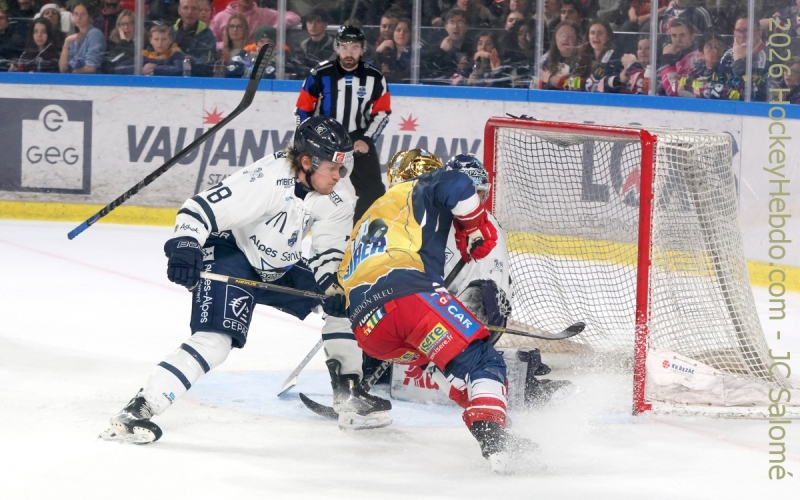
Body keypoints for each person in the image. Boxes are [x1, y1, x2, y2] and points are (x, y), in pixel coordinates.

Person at [101, 115, 390, 443]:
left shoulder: (339, 193)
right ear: (307, 162)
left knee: (344, 301)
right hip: (231, 254)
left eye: (343, 167)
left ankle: (348, 392)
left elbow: (328, 251)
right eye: (333, 168)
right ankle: (139, 409)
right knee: (216, 341)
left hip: (279, 263)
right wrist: (185, 245)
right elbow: (197, 210)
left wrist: (331, 283)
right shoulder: (263, 180)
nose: (340, 176)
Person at [337, 149, 533, 473]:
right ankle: (495, 438)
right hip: (409, 299)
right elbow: (456, 183)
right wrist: (475, 226)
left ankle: (492, 420)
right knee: (482, 360)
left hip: (370, 331)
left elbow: (341, 284)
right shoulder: (424, 188)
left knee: (441, 363)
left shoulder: (369, 217)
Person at [295, 24, 391, 224]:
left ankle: (359, 232)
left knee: (374, 192)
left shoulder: (375, 77)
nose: (349, 53)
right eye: (345, 47)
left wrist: (366, 139)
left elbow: (382, 113)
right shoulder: (319, 74)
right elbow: (303, 109)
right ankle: (294, 223)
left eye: (355, 47)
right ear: (337, 48)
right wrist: (306, 139)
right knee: (305, 183)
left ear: (362, 50)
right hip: (323, 139)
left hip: (357, 137)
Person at [715, 13, 767, 102]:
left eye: (747, 31)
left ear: (759, 32)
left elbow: (756, 95)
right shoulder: (727, 56)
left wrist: (739, 63)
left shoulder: (769, 56)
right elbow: (716, 86)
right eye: (739, 31)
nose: (742, 36)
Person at [209, 0, 300, 50]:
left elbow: (293, 16)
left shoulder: (263, 14)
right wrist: (228, 45)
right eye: (232, 26)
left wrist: (272, 29)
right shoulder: (220, 17)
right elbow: (210, 43)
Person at [422, 9, 472, 83]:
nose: (456, 27)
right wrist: (441, 51)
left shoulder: (474, 46)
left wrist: (468, 67)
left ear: (467, 26)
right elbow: (427, 72)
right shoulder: (436, 48)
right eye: (452, 22)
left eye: (460, 23)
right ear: (446, 27)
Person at [171, 0, 216, 78]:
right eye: (185, 8)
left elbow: (207, 66)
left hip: (197, 80)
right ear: (179, 10)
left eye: (194, 8)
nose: (189, 12)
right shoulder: (170, 32)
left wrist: (182, 55)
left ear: (199, 12)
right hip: (171, 78)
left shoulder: (207, 34)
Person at [58, 1, 106, 74]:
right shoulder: (73, 38)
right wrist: (66, 42)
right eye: (76, 14)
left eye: (83, 14)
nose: (78, 18)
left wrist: (71, 73)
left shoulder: (95, 34)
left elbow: (91, 68)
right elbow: (63, 68)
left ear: (90, 17)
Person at [582, 19, 628, 93]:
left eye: (600, 33)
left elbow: (614, 82)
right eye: (592, 33)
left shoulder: (615, 58)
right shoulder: (582, 56)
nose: (596, 36)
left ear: (608, 36)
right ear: (588, 36)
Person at [659, 19, 702, 97]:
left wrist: (667, 61)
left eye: (682, 35)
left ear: (692, 36)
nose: (678, 40)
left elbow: (673, 91)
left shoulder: (697, 58)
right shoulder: (672, 54)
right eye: (674, 36)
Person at [538, 20, 584, 90]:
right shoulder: (545, 60)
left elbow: (577, 85)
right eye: (561, 35)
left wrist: (551, 79)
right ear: (555, 38)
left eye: (570, 36)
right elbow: (533, 82)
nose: (565, 38)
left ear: (577, 40)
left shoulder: (583, 61)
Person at [297, 7, 335, 72]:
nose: (313, 26)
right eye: (310, 22)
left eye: (318, 22)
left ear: (325, 24)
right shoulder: (302, 46)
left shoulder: (335, 46)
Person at [376, 16, 411, 83]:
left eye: (406, 31)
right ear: (393, 33)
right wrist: (378, 52)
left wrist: (389, 74)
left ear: (410, 34)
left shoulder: (415, 53)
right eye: (398, 30)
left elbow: (405, 76)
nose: (401, 33)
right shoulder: (386, 51)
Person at [103, 9, 135, 74]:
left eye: (130, 23)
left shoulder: (144, 42)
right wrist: (123, 42)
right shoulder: (111, 44)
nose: (126, 27)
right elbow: (110, 66)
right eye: (123, 24)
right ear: (118, 27)